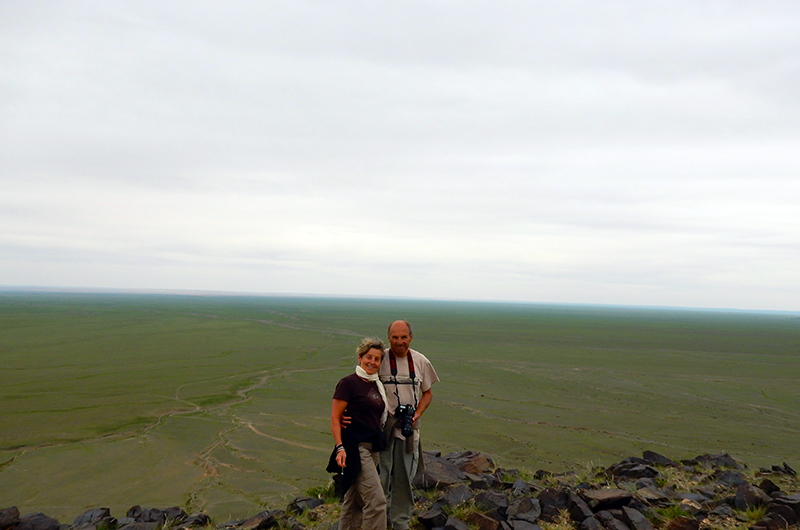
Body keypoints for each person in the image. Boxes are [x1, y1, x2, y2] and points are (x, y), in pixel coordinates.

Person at [379, 320, 440, 530]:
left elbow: (428, 393)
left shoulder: (420, 361)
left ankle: (400, 522)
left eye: (403, 337)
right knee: (381, 476)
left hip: (408, 431)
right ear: (388, 338)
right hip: (383, 431)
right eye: (395, 337)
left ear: (411, 338)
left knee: (404, 479)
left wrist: (417, 413)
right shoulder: (381, 359)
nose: (399, 342)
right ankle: (378, 519)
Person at [330, 338, 390, 530]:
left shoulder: (376, 384)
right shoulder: (349, 383)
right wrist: (340, 447)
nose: (372, 362)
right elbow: (334, 418)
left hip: (373, 448)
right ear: (360, 357)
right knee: (377, 501)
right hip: (355, 448)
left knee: (354, 499)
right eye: (368, 357)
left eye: (377, 359)